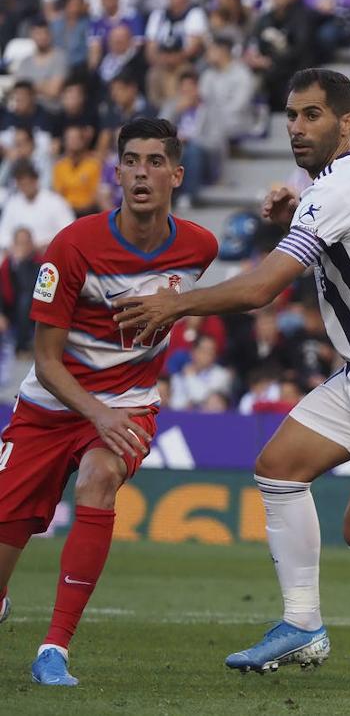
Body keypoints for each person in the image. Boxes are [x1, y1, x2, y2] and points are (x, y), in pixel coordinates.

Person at [114, 69, 350, 689]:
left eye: (312, 115)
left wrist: (175, 304)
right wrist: (293, 220)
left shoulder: (336, 191)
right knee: (278, 467)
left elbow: (261, 289)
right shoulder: (349, 181)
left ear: (347, 123)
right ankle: (302, 623)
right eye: (291, 115)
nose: (297, 128)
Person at [0, 118, 218, 686]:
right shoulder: (72, 246)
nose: (142, 173)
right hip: (50, 407)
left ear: (176, 175)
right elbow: (45, 361)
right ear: (116, 173)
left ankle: (54, 649)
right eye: (131, 162)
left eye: (154, 162)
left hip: (129, 404)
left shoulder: (200, 247)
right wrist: (95, 412)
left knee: (99, 477)